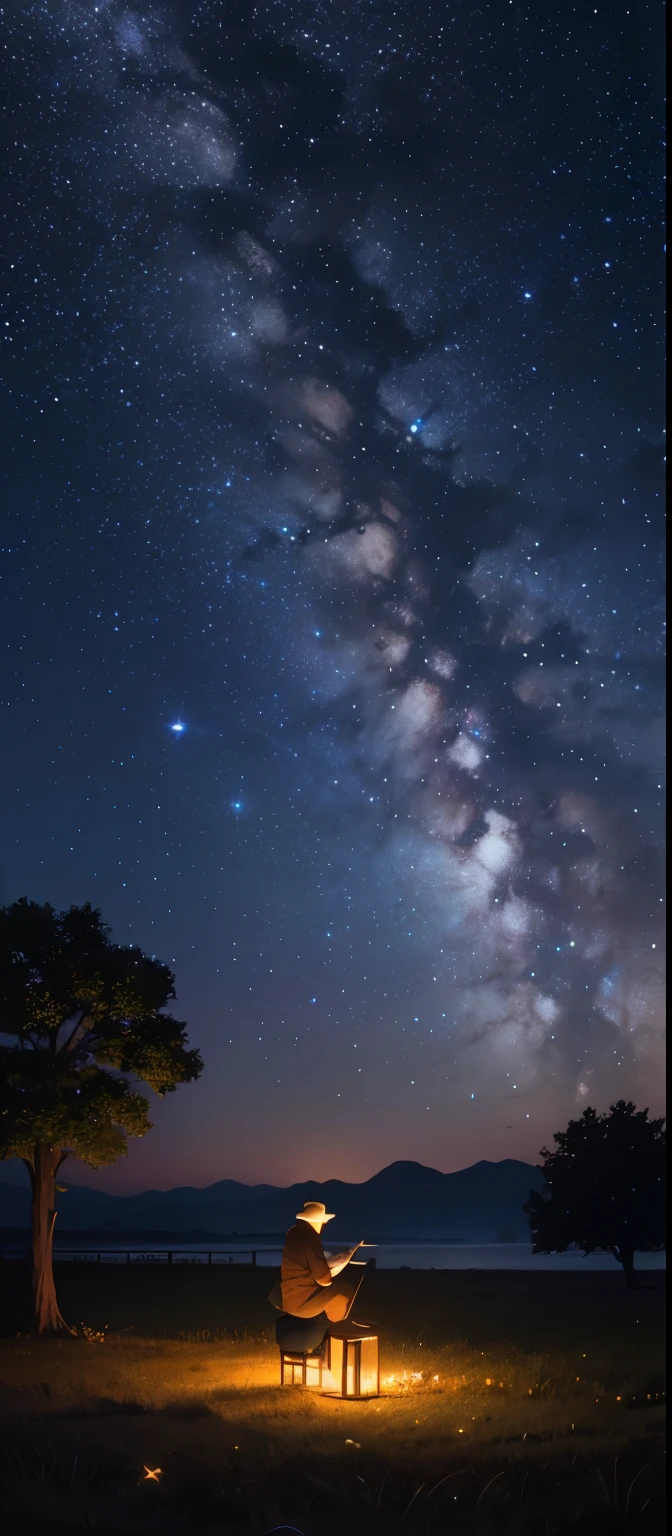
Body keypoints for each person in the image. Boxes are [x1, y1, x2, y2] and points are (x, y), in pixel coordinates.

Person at [269, 1200, 363, 1321]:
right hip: (303, 1302)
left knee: (331, 1294)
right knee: (344, 1289)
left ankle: (325, 1323)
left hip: (288, 1299)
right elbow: (323, 1279)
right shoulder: (310, 1238)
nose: (323, 1225)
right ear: (317, 1222)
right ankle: (338, 1327)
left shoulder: (294, 1236)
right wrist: (335, 1264)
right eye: (323, 1223)